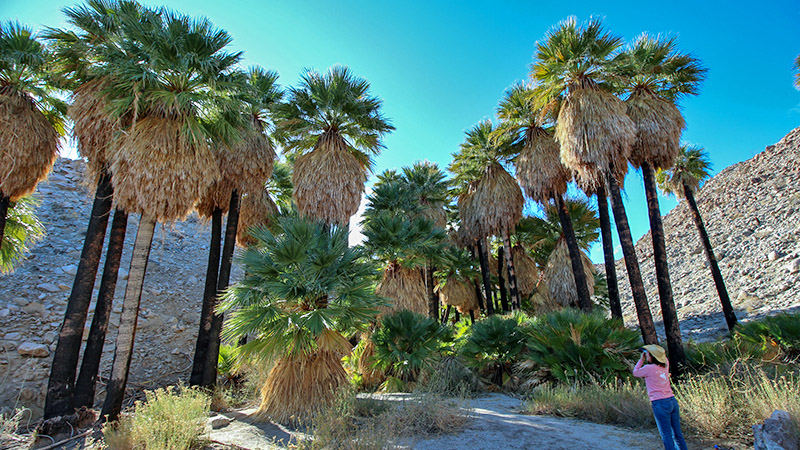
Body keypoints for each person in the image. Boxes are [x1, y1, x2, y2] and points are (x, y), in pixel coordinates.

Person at [633, 344, 688, 450]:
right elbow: (663, 357)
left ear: (652, 356)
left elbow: (635, 372)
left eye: (648, 353)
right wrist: (653, 353)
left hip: (659, 403)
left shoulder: (648, 368)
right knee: (677, 434)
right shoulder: (665, 365)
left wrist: (641, 359)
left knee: (666, 435)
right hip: (671, 400)